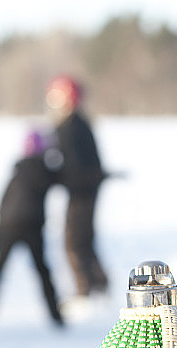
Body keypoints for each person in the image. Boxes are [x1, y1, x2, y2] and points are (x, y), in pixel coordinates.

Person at [0, 130, 64, 326]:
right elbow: (63, 177)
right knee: (42, 271)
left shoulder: (18, 170)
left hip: (9, 225)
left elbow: (3, 202)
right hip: (30, 225)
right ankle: (56, 317)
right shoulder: (41, 169)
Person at [46, 75, 109, 296]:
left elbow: (73, 164)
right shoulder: (78, 124)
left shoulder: (72, 127)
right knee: (84, 240)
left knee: (75, 242)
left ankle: (86, 291)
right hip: (84, 189)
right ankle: (99, 286)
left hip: (82, 192)